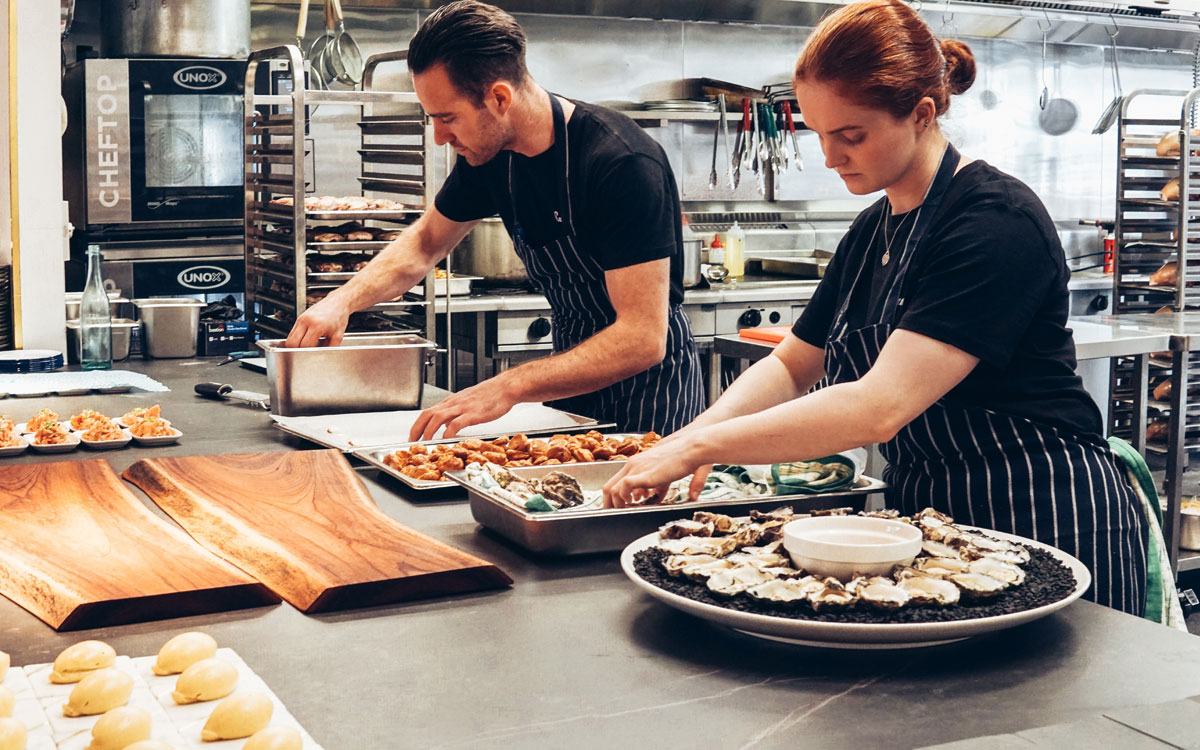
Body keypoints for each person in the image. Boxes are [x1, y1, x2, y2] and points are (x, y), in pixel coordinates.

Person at [603, 0, 1147, 615]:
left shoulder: (994, 221)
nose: (831, 156)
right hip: (934, 524)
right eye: (819, 134)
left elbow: (878, 407)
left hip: (1045, 508)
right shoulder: (872, 230)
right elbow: (791, 366)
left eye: (850, 135)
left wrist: (704, 449)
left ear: (921, 115)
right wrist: (690, 437)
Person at [285, 0, 704, 440]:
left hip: (652, 401)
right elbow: (426, 242)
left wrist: (509, 386)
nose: (440, 137)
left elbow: (641, 338)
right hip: (569, 384)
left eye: (447, 118)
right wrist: (340, 302)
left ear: (499, 97)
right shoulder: (491, 157)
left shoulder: (620, 162)